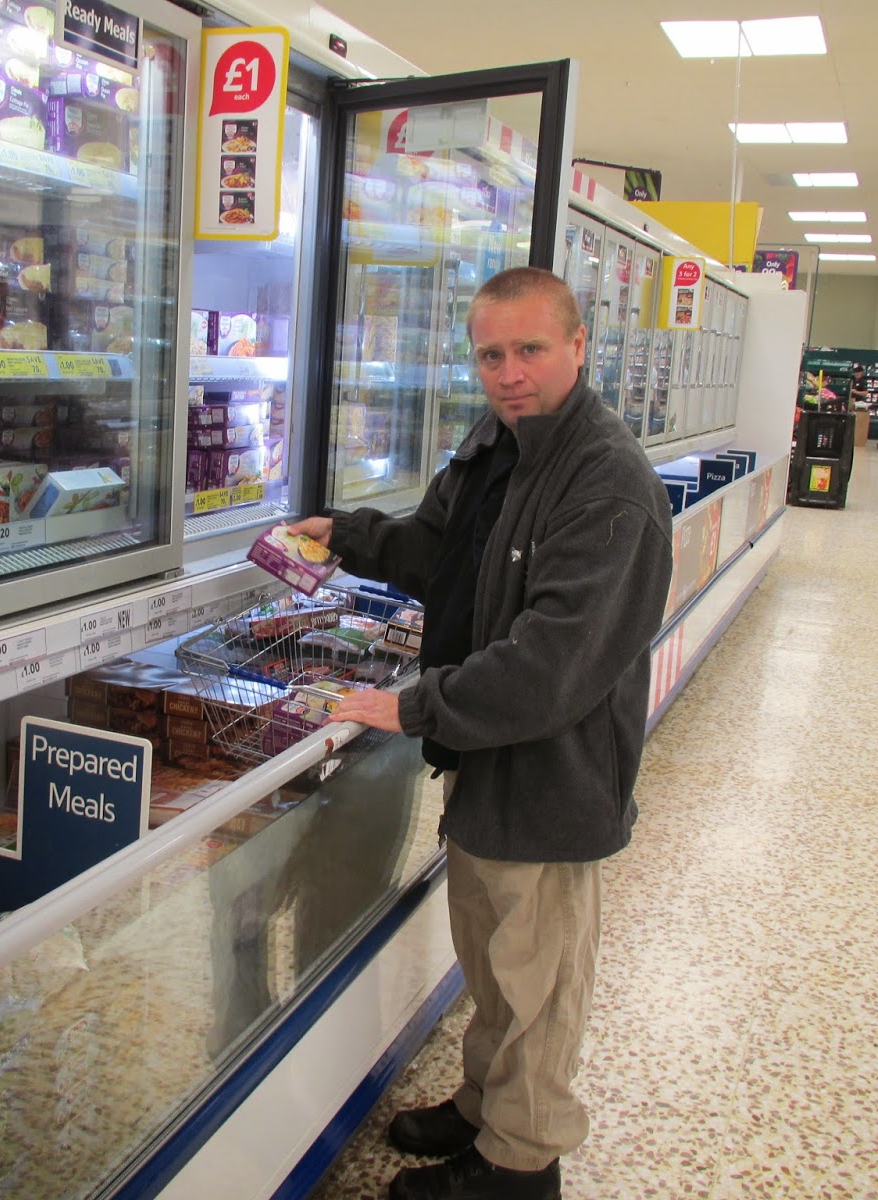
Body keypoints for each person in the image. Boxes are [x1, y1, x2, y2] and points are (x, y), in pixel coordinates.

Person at [288, 267, 673, 1200]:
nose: (509, 373)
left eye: (531, 350)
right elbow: (440, 551)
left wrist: (415, 704)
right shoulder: (499, 442)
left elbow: (553, 663)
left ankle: (520, 1162)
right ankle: (482, 1106)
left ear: (579, 347)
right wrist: (346, 535)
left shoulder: (606, 483)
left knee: (537, 977)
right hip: (482, 754)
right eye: (491, 354)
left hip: (550, 775)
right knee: (492, 961)